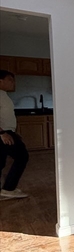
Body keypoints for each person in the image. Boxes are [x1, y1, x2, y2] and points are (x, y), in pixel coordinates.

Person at [0, 69, 29, 199]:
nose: (13, 83)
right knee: (22, 156)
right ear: (0, 81)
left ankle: (5, 189)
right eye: (10, 79)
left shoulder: (3, 95)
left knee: (0, 162)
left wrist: (13, 133)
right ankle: (8, 189)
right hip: (2, 133)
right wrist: (2, 133)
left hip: (6, 132)